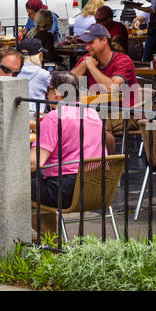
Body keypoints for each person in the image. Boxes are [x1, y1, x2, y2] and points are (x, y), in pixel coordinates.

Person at [31, 70, 115, 217]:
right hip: (97, 188)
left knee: (15, 186)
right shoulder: (93, 114)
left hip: (65, 190)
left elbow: (34, 162)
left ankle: (48, 238)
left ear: (56, 92)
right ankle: (48, 238)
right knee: (34, 184)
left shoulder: (54, 117)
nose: (46, 96)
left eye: (47, 91)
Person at [71, 23, 139, 130]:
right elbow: (67, 82)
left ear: (104, 40)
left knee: (97, 125)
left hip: (126, 112)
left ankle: (101, 147)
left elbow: (112, 88)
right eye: (86, 43)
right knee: (69, 120)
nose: (87, 47)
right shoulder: (87, 59)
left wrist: (91, 67)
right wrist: (84, 64)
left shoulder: (123, 60)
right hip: (97, 110)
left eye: (91, 42)